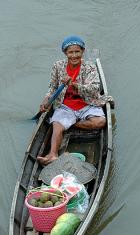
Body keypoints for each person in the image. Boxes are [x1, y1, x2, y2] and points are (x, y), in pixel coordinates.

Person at [37, 35, 114, 165]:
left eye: (77, 52)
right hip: (66, 105)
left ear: (82, 51)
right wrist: (46, 99)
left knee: (100, 122)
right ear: (65, 53)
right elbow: (53, 87)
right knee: (57, 124)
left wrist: (74, 85)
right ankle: (52, 155)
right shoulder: (58, 66)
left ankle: (70, 123)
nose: (74, 56)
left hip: (87, 103)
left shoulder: (89, 67)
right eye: (70, 52)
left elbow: (94, 89)